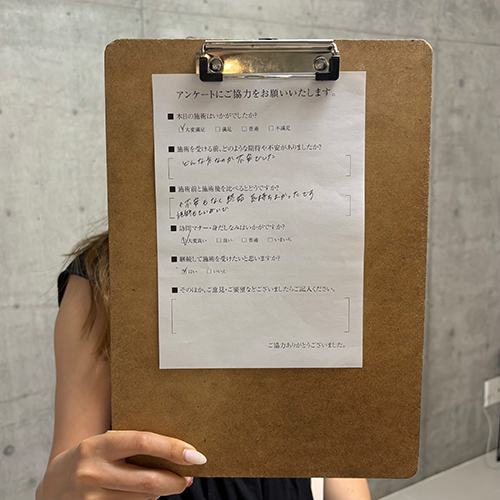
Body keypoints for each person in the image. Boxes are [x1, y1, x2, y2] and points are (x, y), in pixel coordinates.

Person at [36, 231, 371, 500]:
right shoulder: (103, 275)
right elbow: (68, 478)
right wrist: (70, 487)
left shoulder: (310, 260)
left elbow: (335, 449)